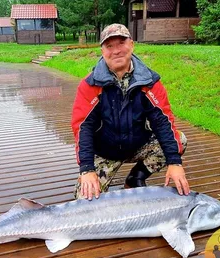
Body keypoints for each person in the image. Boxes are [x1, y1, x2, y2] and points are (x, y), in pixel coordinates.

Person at [71, 23, 190, 200]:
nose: (116, 50)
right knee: (83, 199)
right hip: (104, 152)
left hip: (137, 145)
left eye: (121, 43)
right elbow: (83, 128)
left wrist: (174, 161)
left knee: (179, 139)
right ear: (102, 51)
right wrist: (87, 169)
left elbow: (163, 122)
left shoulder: (150, 82)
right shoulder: (90, 85)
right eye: (109, 46)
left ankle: (136, 178)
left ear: (132, 45)